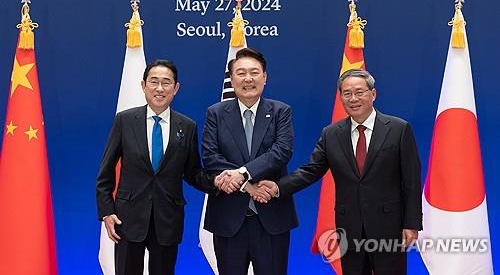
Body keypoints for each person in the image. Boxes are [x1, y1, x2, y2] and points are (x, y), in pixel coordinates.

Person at [258, 69, 422, 275]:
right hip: (349, 227)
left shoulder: (398, 129)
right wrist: (278, 187)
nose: (353, 99)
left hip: (389, 227)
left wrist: (412, 223)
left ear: (373, 94)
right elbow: (311, 170)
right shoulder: (331, 134)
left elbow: (411, 181)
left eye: (359, 92)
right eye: (347, 93)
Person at [96, 59, 216, 275]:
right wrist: (106, 212)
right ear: (143, 86)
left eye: (166, 82)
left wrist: (218, 182)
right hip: (128, 218)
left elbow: (193, 172)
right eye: (154, 82)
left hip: (167, 218)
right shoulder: (125, 121)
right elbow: (105, 172)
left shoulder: (187, 126)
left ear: (176, 88)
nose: (159, 88)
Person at [202, 48, 298, 275]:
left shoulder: (280, 111)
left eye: (254, 72)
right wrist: (248, 187)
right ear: (232, 78)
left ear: (264, 77)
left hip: (272, 218)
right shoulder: (215, 113)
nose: (248, 79)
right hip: (228, 220)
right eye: (241, 73)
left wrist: (243, 173)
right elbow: (211, 157)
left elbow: (281, 151)